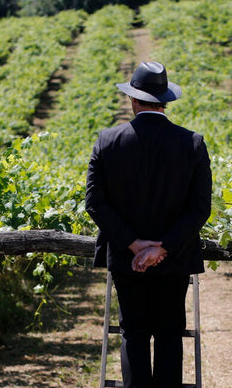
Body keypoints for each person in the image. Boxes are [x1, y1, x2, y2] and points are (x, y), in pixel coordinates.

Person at [85, 61, 212, 388]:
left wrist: (134, 245)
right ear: (165, 100)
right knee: (170, 333)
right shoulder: (193, 143)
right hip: (176, 258)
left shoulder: (108, 141)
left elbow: (95, 203)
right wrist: (163, 247)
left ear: (134, 99)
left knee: (134, 333)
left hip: (128, 261)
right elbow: (200, 209)